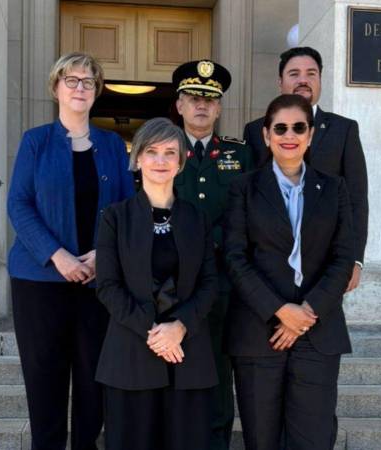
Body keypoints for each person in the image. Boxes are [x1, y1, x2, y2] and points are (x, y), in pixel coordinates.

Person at [7, 51, 135, 450]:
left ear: (96, 92)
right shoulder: (35, 142)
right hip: (39, 281)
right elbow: (19, 204)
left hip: (98, 284)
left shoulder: (114, 145)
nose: (80, 88)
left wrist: (103, 254)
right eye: (72, 80)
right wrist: (57, 255)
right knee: (44, 380)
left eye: (88, 81)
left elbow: (128, 208)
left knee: (92, 381)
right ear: (56, 88)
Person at [225, 94, 354, 450]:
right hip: (258, 333)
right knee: (261, 440)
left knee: (312, 440)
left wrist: (306, 313)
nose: (289, 134)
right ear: (266, 135)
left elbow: (343, 258)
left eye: (299, 127)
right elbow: (235, 258)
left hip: (318, 333)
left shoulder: (334, 188)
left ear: (310, 135)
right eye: (280, 127)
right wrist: (281, 311)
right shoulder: (244, 188)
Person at [95, 117, 219, 450]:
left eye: (170, 152)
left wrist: (179, 328)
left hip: (188, 356)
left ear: (181, 163)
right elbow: (107, 285)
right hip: (130, 356)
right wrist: (154, 332)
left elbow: (210, 283)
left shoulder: (198, 218)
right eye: (152, 152)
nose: (160, 161)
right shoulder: (114, 217)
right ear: (136, 159)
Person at [171, 59, 254, 450]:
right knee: (174, 362)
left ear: (219, 108)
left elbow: (248, 214)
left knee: (220, 367)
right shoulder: (161, 152)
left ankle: (217, 441)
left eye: (210, 99)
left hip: (224, 281)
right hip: (174, 281)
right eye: (192, 97)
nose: (201, 105)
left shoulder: (241, 154)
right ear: (179, 106)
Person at [243, 46, 368, 292]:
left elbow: (356, 199)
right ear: (280, 82)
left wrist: (355, 259)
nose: (303, 80)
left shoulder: (344, 130)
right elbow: (249, 197)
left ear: (320, 80)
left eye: (311, 73)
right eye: (294, 73)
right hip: (269, 263)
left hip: (327, 263)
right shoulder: (256, 131)